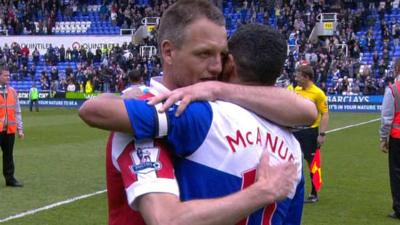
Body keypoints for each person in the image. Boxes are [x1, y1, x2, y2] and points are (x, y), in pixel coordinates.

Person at [80, 1, 316, 224]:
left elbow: (306, 110)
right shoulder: (149, 117)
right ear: (168, 52)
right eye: (203, 54)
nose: (215, 66)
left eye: (222, 56)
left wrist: (216, 89)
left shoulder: (206, 114)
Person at [293, 64, 329, 203]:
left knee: (312, 162)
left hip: (310, 132)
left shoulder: (318, 93)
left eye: (298, 76)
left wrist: (322, 134)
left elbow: (325, 113)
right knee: (294, 161)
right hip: (295, 130)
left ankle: (314, 193)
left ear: (306, 77)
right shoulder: (296, 89)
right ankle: (294, 191)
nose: (296, 78)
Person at [380, 58, 400, 220]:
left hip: (397, 138)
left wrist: (383, 138)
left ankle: (399, 208)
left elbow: (387, 118)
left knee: (396, 174)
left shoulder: (394, 89)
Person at [0, 65, 24, 187]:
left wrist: (20, 129)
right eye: (5, 75)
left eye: (9, 75)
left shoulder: (13, 92)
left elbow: (17, 111)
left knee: (8, 155)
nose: (8, 77)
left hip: (9, 130)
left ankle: (10, 179)